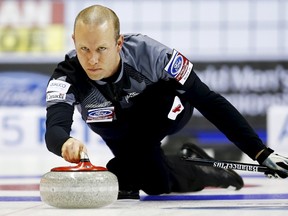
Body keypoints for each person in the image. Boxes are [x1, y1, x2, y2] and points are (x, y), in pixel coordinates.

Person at [45, 4, 288, 199]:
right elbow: (55, 127)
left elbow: (209, 101)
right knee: (153, 183)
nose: (92, 59)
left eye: (101, 49)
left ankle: (126, 170)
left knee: (131, 164)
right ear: (74, 41)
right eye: (84, 49)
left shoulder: (154, 56)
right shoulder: (67, 74)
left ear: (119, 43)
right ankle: (202, 168)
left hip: (164, 111)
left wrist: (259, 151)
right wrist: (64, 142)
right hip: (116, 128)